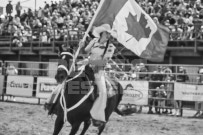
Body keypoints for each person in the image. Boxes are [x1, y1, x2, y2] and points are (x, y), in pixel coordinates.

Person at [80, 26, 115, 126]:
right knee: (69, 78)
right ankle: (52, 102)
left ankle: (97, 117)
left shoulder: (111, 47)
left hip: (98, 70)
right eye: (107, 33)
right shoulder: (94, 41)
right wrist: (81, 46)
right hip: (86, 66)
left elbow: (104, 62)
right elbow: (84, 52)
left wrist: (89, 61)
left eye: (109, 33)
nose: (109, 35)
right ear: (102, 33)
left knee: (103, 92)